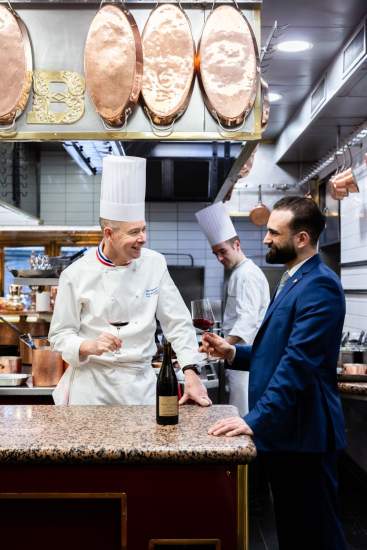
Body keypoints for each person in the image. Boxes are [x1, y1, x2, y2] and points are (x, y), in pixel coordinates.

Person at [202, 196, 347, 550]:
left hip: (305, 434)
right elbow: (276, 350)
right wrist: (232, 352)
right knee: (295, 531)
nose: (264, 239)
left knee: (317, 533)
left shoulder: (320, 286)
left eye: (272, 232)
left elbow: (298, 363)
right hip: (287, 434)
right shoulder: (293, 280)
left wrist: (257, 419)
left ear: (301, 239)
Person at [50, 155, 211, 407]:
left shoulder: (154, 263)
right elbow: (60, 334)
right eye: (134, 232)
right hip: (92, 389)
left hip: (140, 387)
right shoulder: (76, 274)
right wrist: (88, 345)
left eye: (144, 229)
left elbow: (177, 323)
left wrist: (191, 371)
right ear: (109, 234)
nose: (143, 238)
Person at [196, 202, 270, 415]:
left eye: (222, 251)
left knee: (242, 412)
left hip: (245, 355)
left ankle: (245, 449)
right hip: (236, 355)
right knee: (237, 410)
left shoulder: (248, 274)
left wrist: (223, 345)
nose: (219, 258)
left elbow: (247, 320)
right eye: (215, 253)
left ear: (237, 244)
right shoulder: (239, 272)